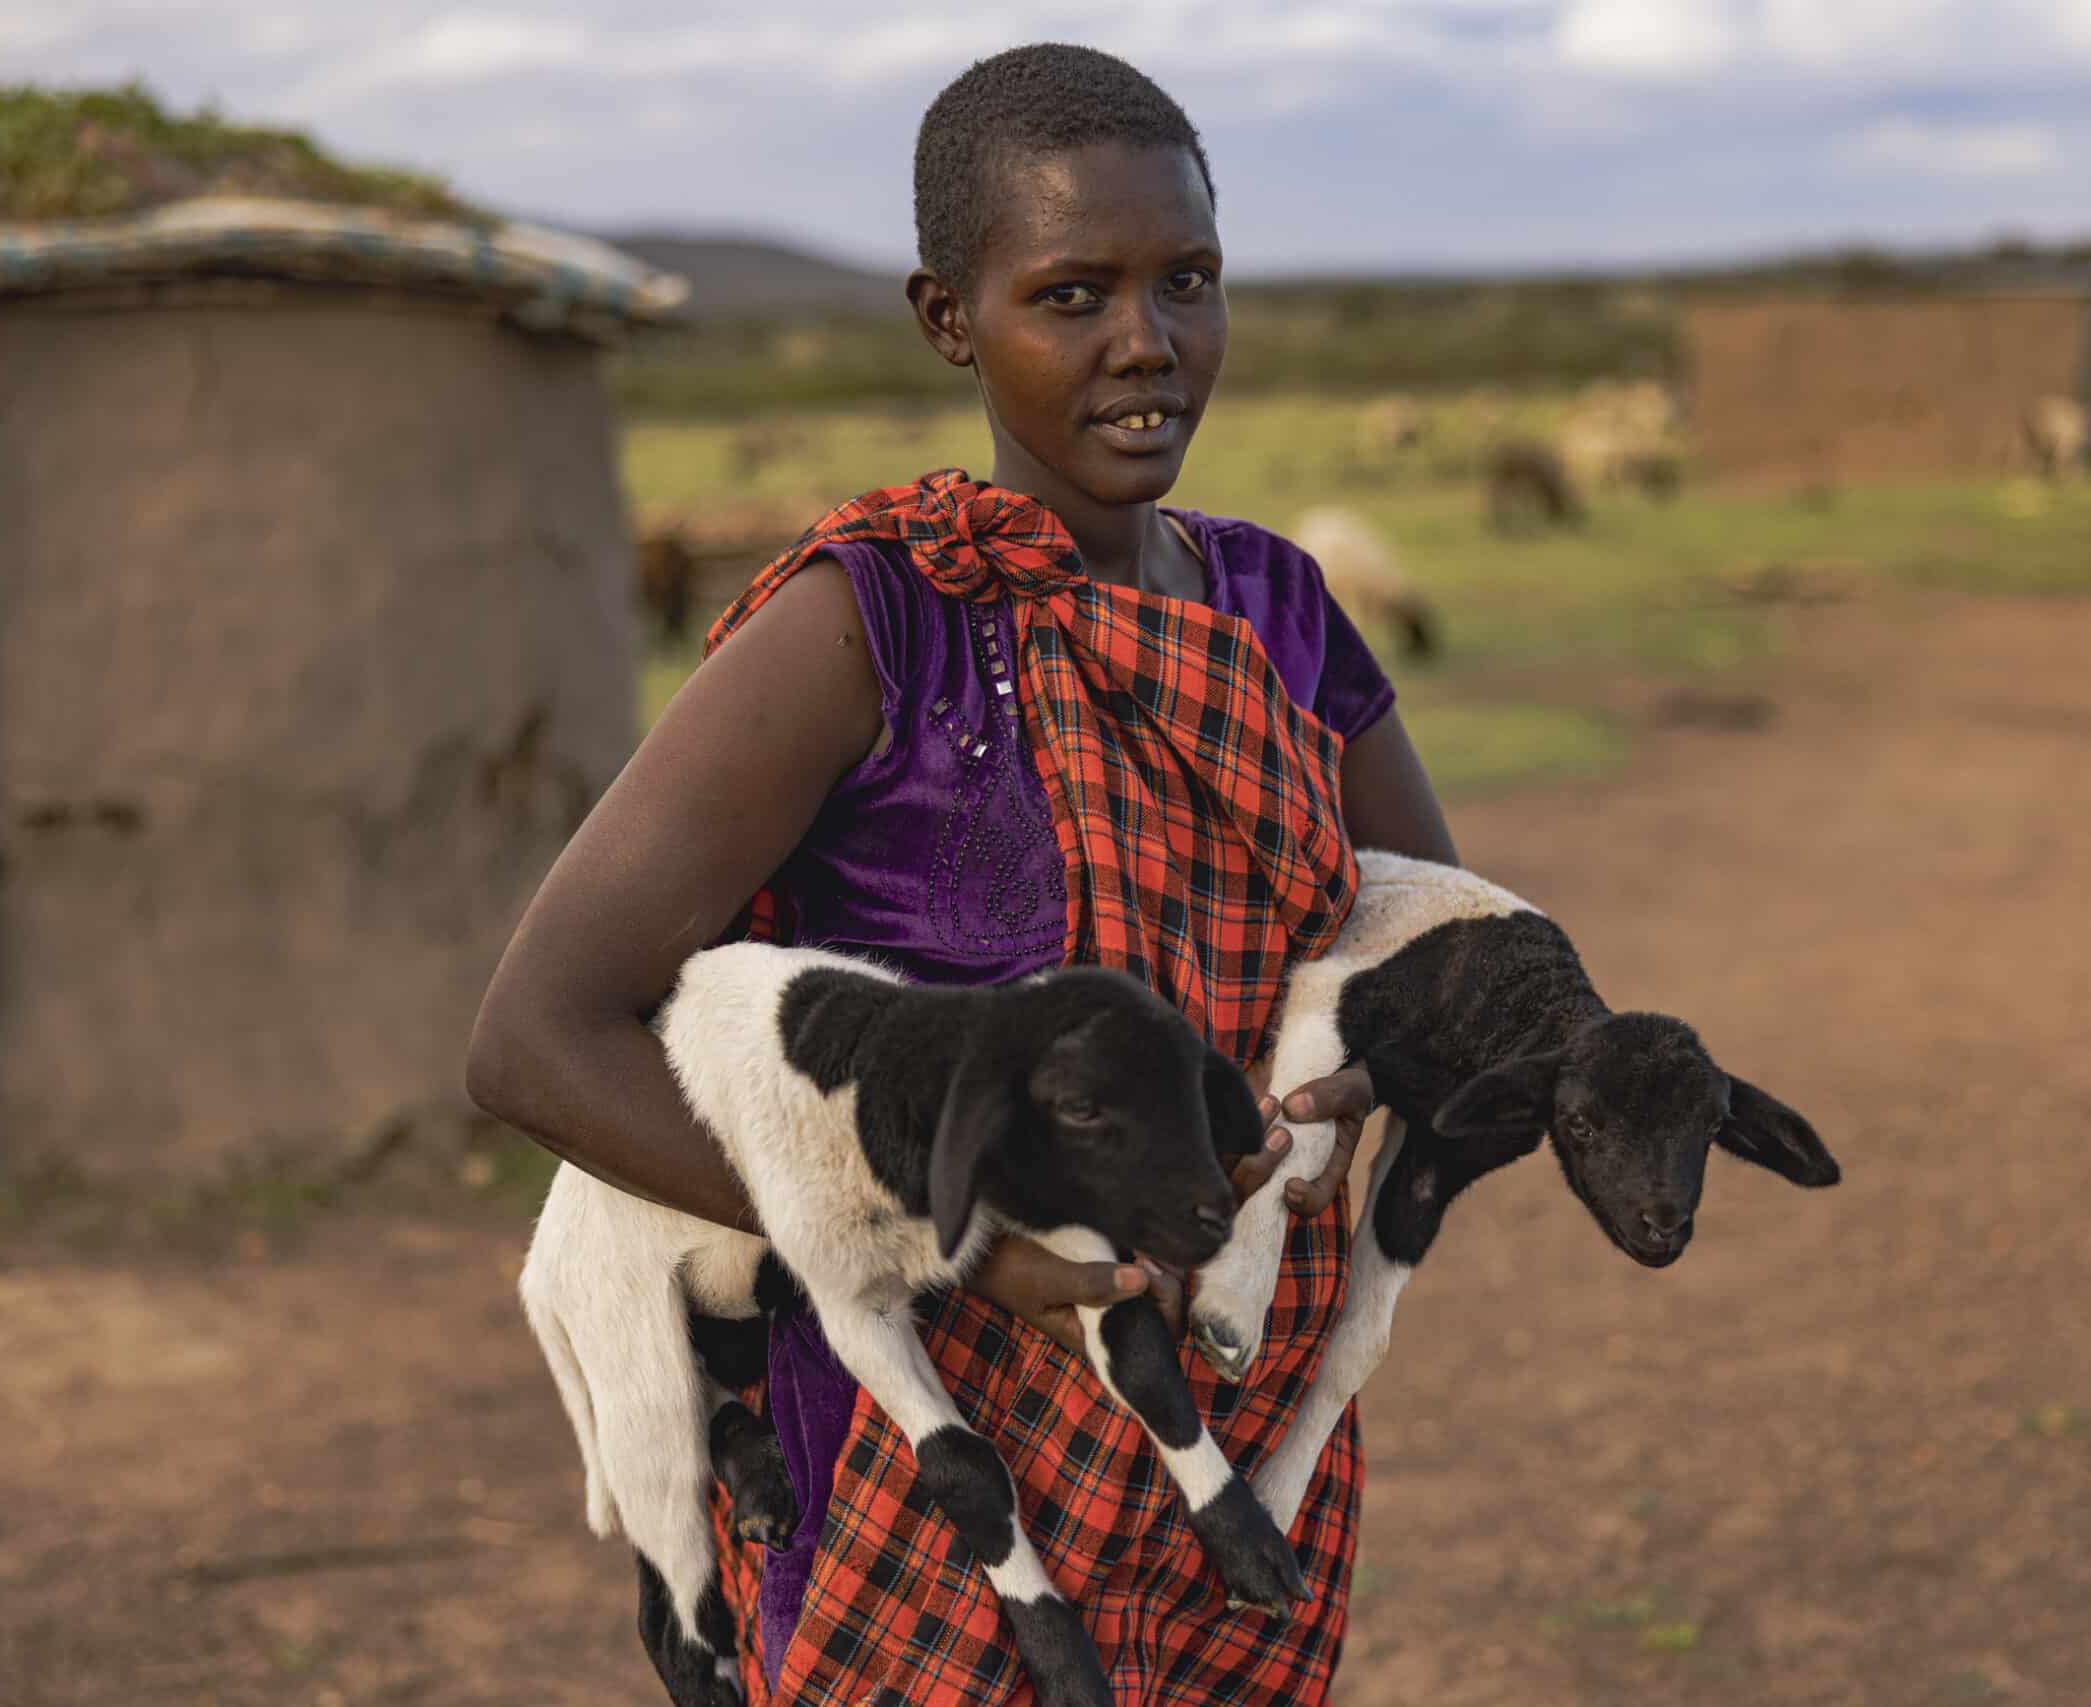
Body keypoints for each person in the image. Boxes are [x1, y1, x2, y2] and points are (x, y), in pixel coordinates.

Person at [467, 41, 1456, 1705]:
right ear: (950, 321)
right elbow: (536, 1037)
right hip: (915, 1456)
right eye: (1073, 294)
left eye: (1188, 281)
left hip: (1233, 1406)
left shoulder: (1278, 613)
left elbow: (1424, 955)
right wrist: (953, 1243)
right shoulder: (868, 628)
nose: (1147, 344)